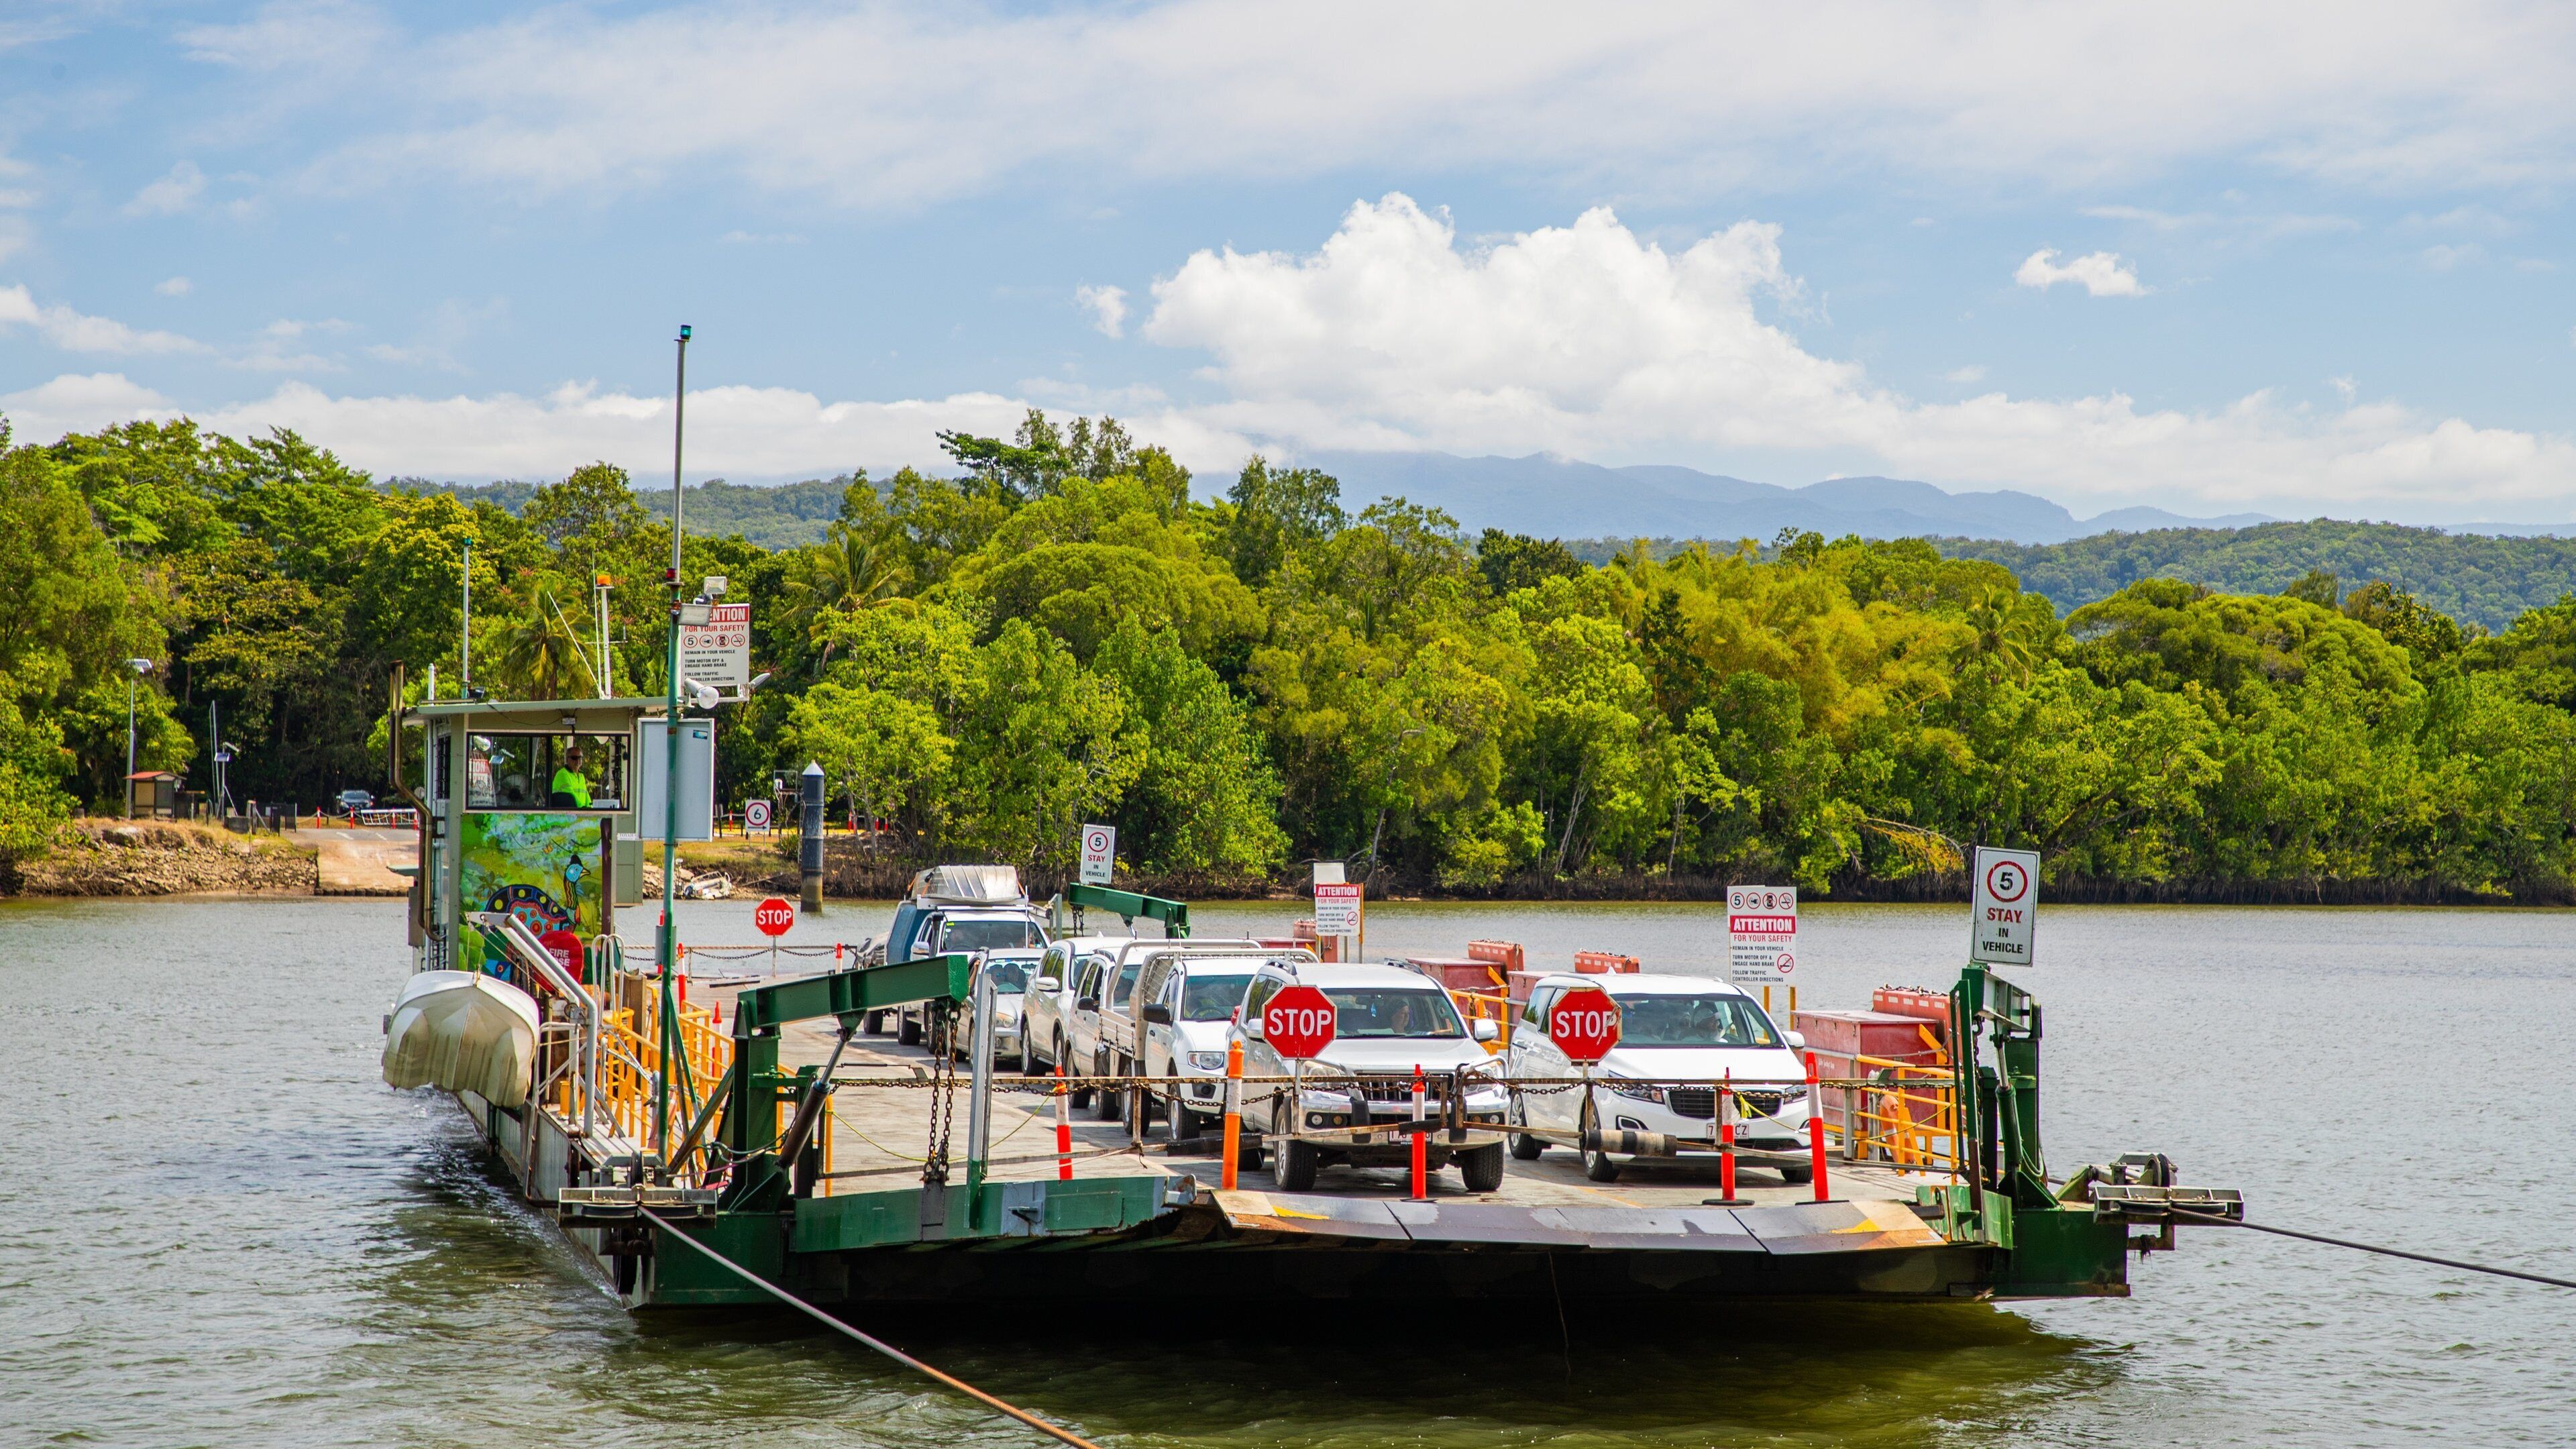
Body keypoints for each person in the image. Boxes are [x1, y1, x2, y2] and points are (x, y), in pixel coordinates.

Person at [549, 743, 592, 808]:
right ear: (567, 759)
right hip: (566, 814)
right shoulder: (562, 774)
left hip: (579, 814)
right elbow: (570, 794)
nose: (578, 761)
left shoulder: (581, 776)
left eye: (580, 758)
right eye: (574, 758)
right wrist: (582, 808)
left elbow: (586, 795)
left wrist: (590, 808)